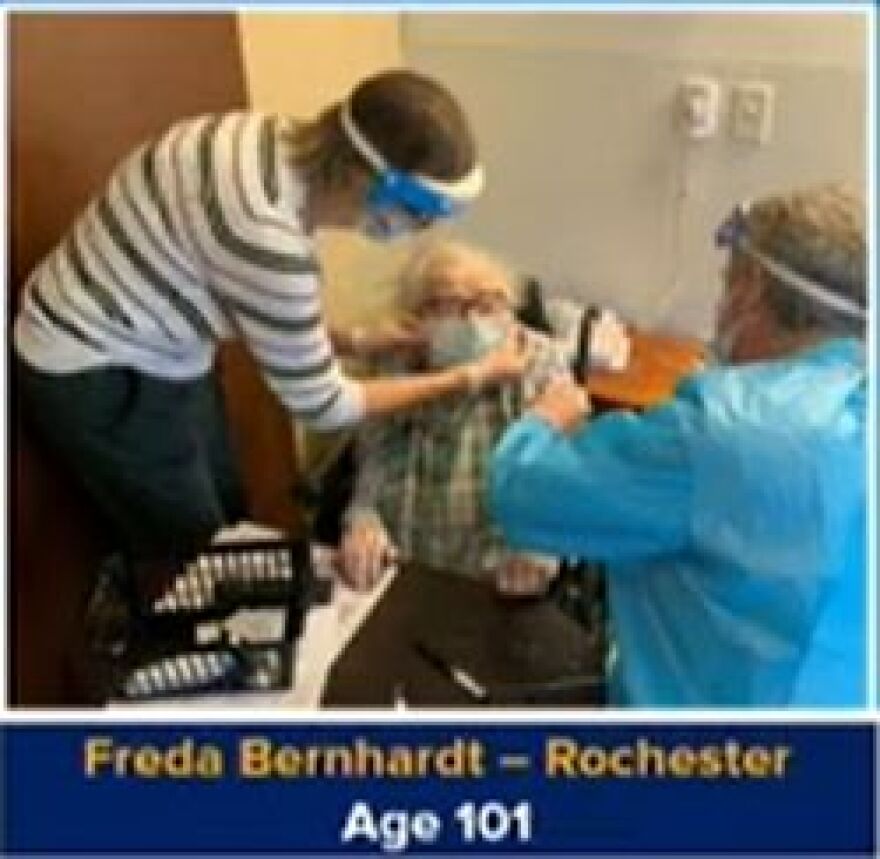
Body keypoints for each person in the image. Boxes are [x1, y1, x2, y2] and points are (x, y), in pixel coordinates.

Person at [14, 69, 528, 562]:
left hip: (156, 332)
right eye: (419, 214)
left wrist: (362, 342)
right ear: (368, 180)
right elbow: (324, 404)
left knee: (232, 514)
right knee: (192, 549)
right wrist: (468, 376)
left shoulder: (257, 138)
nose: (417, 231)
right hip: (95, 363)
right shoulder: (270, 241)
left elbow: (250, 308)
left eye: (483, 303)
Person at [489, 186, 867, 708]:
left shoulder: (721, 430)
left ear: (751, 287)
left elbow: (522, 493)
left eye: (723, 282)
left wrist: (546, 421)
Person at [337, 241, 573, 596]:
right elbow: (374, 457)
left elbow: (561, 475)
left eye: (489, 304)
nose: (473, 319)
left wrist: (540, 547)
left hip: (495, 578)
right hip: (401, 568)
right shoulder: (398, 361)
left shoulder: (536, 360)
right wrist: (363, 519)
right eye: (451, 305)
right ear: (418, 316)